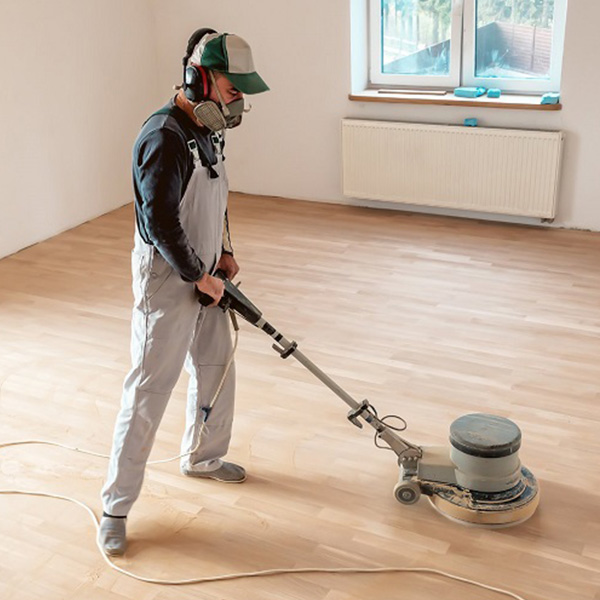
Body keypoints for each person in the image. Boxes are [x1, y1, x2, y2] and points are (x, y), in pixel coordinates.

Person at [98, 28, 269, 556]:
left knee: (217, 367)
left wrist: (224, 250)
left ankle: (203, 457)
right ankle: (115, 506)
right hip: (166, 280)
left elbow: (214, 196)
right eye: (232, 86)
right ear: (200, 78)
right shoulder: (164, 138)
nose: (239, 96)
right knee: (150, 391)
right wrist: (199, 275)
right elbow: (161, 222)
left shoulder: (210, 129)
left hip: (204, 269)